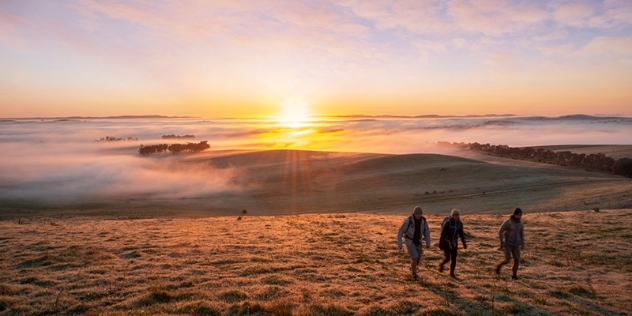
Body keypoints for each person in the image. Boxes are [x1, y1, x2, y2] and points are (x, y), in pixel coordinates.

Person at [397, 206, 431, 279]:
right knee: (414, 257)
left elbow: (427, 232)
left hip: (418, 241)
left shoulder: (423, 221)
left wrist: (428, 243)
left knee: (418, 258)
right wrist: (400, 244)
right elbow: (400, 231)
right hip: (409, 240)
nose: (418, 215)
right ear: (414, 214)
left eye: (420, 214)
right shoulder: (408, 221)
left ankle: (412, 267)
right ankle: (414, 273)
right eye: (417, 214)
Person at [495, 207, 525, 280]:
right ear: (514, 215)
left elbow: (521, 233)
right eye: (518, 215)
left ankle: (514, 275)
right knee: (507, 260)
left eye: (520, 215)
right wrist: (501, 242)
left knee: (517, 260)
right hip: (508, 244)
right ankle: (498, 266)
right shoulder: (508, 222)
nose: (519, 217)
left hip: (516, 245)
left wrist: (522, 243)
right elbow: (500, 231)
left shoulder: (521, 223)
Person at [439, 209, 467, 278]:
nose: (456, 217)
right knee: (448, 258)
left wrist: (464, 243)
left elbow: (461, 234)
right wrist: (441, 243)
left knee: (454, 258)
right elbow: (442, 234)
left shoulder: (460, 224)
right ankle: (442, 264)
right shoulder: (448, 223)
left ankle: (452, 273)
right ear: (451, 215)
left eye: (457, 215)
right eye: (454, 215)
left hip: (454, 243)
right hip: (446, 242)